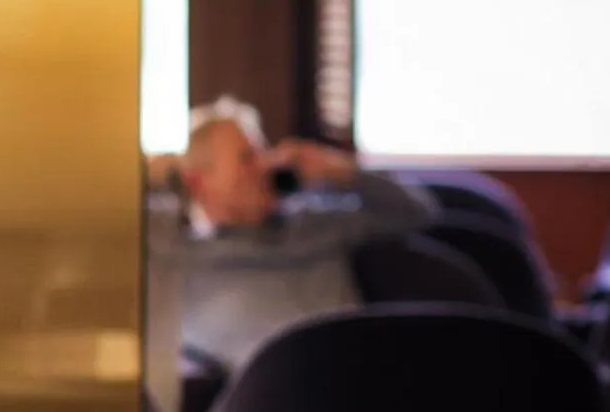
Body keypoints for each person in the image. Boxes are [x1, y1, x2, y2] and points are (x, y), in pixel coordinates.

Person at [146, 96, 437, 372]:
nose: (263, 166)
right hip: (268, 403)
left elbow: (417, 213)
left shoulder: (313, 223)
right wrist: (151, 172)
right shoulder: (178, 254)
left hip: (359, 377)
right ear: (199, 182)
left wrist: (338, 170)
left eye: (263, 153)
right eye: (247, 158)